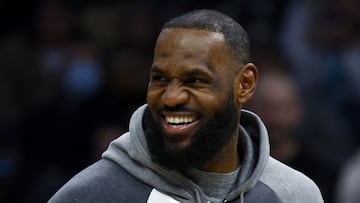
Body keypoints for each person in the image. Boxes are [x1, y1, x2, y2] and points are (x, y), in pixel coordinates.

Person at [49, 9, 323, 203]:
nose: (171, 97)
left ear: (245, 84)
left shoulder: (294, 194)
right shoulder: (93, 194)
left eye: (194, 80)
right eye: (160, 79)